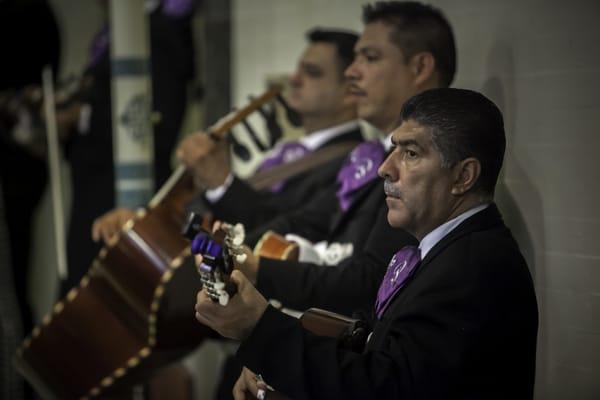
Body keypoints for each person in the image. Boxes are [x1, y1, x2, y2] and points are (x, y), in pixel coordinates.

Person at [194, 87, 539, 400]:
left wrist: (260, 329)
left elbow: (386, 386)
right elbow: (374, 344)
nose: (385, 169)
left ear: (463, 176)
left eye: (411, 153)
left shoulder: (472, 268)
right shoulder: (442, 250)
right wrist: (269, 355)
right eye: (393, 150)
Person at [232, 0, 456, 317]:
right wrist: (234, 250)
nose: (353, 71)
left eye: (371, 57)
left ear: (419, 68)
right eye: (355, 59)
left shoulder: (433, 163)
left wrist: (258, 270)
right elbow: (306, 219)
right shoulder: (370, 155)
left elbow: (369, 281)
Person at [92, 27, 362, 241]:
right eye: (298, 69)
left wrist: (222, 182)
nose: (294, 79)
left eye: (312, 73)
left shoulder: (356, 163)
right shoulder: (290, 152)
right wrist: (143, 223)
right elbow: (208, 218)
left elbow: (286, 236)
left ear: (350, 92)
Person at [59, 0, 196, 294]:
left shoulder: (158, 31)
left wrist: (85, 115)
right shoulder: (117, 30)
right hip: (95, 195)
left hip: (121, 194)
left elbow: (153, 123)